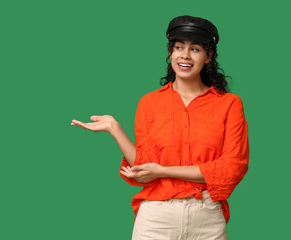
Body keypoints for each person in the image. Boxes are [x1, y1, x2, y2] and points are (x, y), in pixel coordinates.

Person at [71, 15, 249, 240]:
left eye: (195, 49)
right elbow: (144, 169)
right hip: (156, 218)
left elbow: (231, 168)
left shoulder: (229, 104)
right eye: (178, 47)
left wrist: (163, 171)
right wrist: (114, 128)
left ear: (209, 56)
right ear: (170, 53)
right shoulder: (149, 103)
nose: (184, 55)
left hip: (207, 219)